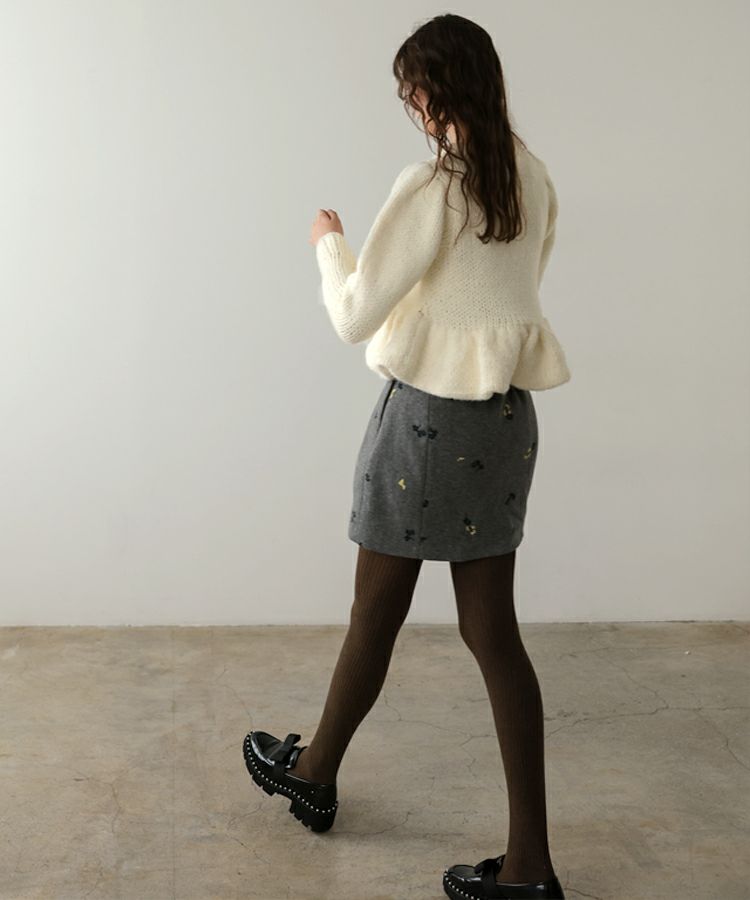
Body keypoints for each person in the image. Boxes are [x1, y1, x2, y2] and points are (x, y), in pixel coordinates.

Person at [243, 13, 570, 900]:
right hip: (506, 421)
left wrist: (328, 242)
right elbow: (504, 300)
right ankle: (529, 866)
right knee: (492, 633)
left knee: (375, 613)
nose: (410, 106)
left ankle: (314, 773)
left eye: (411, 90)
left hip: (429, 426)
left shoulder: (432, 186)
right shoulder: (533, 178)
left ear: (435, 91)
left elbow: (355, 314)